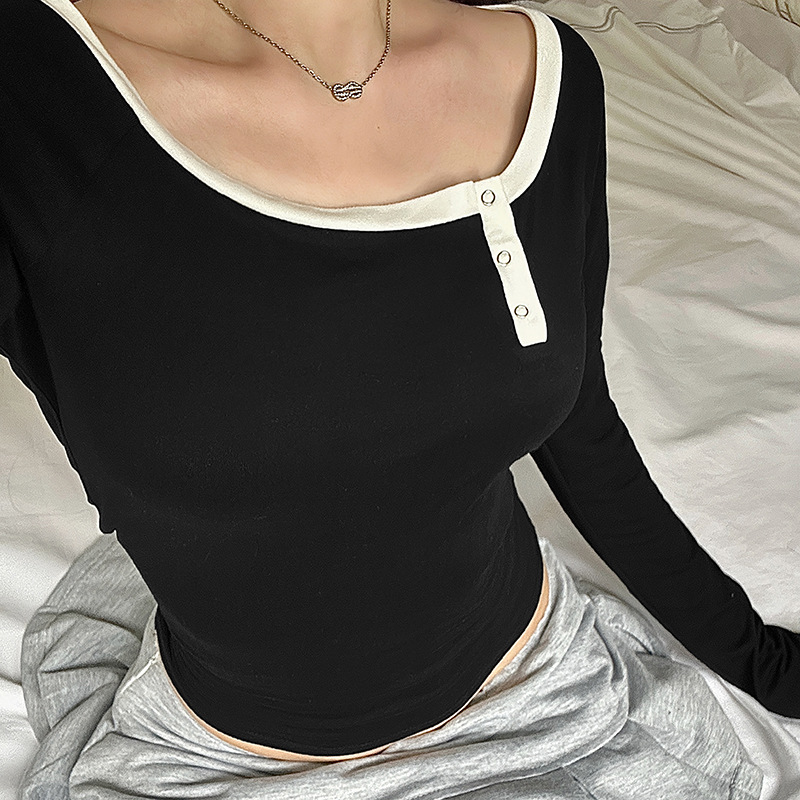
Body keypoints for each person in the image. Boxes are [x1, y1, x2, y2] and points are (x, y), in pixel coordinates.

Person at [1, 0, 798, 797]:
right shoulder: (32, 88)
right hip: (223, 754)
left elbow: (582, 427)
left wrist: (763, 664)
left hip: (540, 681)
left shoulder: (542, 72)